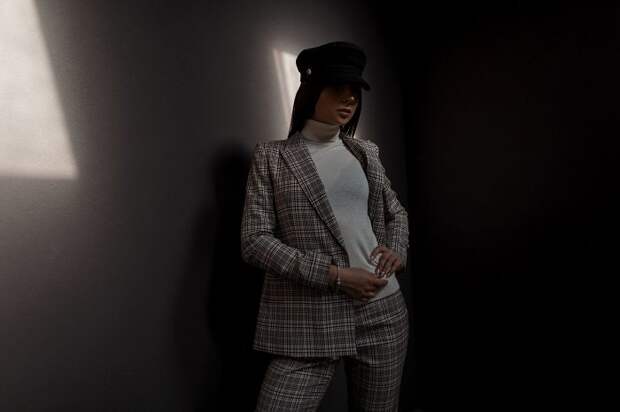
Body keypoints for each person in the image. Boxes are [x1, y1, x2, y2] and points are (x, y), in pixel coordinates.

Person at [240, 41, 411, 411]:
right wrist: (335, 276)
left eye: (354, 91)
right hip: (308, 318)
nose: (349, 99)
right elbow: (254, 240)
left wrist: (397, 248)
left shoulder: (365, 152)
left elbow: (395, 212)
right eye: (337, 89)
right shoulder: (272, 157)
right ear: (312, 91)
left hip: (383, 312)